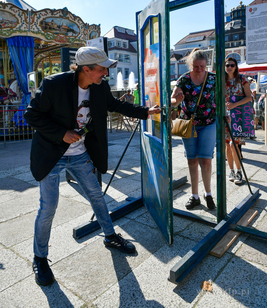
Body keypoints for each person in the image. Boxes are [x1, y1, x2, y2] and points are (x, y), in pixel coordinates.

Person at [24, 46, 161, 287]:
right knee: (48, 207)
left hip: (79, 154)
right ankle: (40, 258)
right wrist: (61, 133)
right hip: (51, 154)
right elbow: (32, 115)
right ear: (86, 69)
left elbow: (115, 105)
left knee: (97, 196)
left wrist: (146, 112)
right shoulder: (54, 84)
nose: (105, 74)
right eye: (101, 70)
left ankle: (110, 237)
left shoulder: (100, 87)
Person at [171, 49, 216, 210]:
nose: (199, 69)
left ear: (206, 65)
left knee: (205, 160)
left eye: (202, 66)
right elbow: (173, 101)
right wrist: (176, 101)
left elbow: (221, 98)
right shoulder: (184, 80)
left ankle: (208, 193)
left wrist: (227, 115)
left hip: (209, 122)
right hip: (189, 124)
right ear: (191, 65)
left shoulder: (213, 79)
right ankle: (194, 195)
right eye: (196, 66)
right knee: (192, 160)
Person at [225, 57, 252, 185]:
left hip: (238, 116)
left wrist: (234, 105)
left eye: (232, 65)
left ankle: (239, 171)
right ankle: (231, 171)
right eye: (227, 65)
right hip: (225, 116)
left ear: (236, 67)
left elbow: (249, 97)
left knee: (233, 145)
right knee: (227, 146)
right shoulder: (222, 81)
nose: (229, 67)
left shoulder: (242, 79)